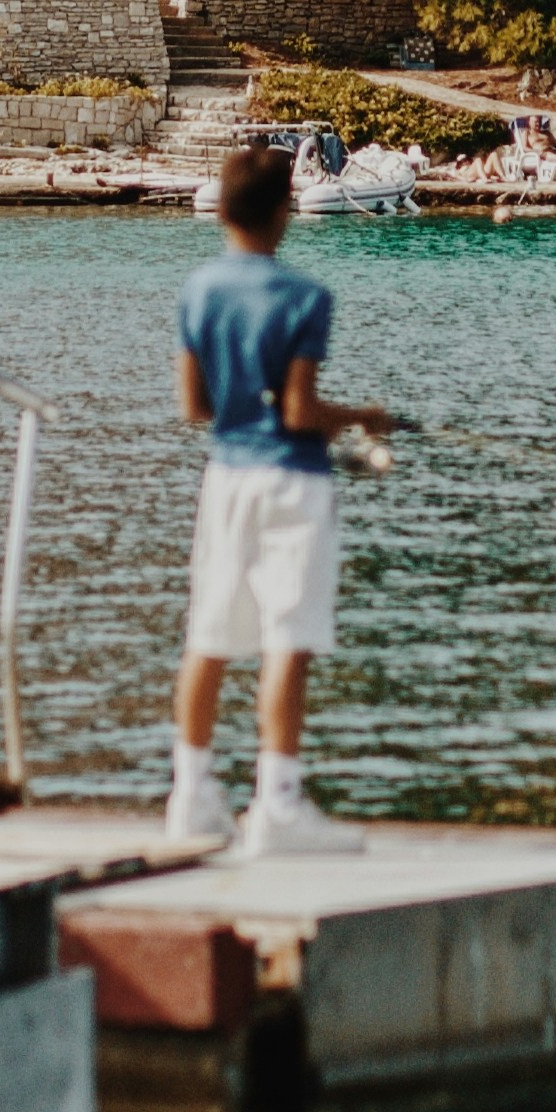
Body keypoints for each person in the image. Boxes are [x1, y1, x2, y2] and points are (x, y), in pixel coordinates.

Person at [169, 136, 392, 858]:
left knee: (209, 634)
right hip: (293, 483)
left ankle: (192, 797)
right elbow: (299, 414)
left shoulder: (198, 290)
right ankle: (278, 805)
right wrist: (363, 416)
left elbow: (195, 406)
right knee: (287, 639)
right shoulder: (304, 298)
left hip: (226, 479)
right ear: (283, 212)